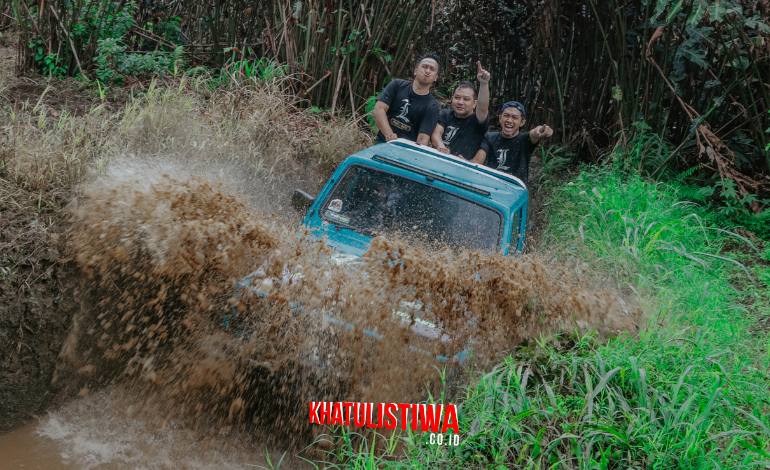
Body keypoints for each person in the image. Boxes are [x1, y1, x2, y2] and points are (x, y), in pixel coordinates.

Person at [470, 102, 553, 185]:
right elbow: (477, 160)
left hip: (515, 189)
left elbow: (534, 133)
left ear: (522, 122)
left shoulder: (525, 140)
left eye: (514, 117)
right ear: (500, 118)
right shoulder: (489, 137)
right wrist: (466, 163)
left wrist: (540, 130)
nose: (509, 120)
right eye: (506, 115)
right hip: (491, 185)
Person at [372, 53, 441, 146]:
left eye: (432, 69)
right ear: (415, 71)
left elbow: (423, 139)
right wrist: (389, 134)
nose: (427, 71)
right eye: (424, 67)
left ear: (436, 77)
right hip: (382, 144)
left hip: (407, 153)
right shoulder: (397, 85)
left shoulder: (432, 106)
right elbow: (379, 109)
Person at [431, 62, 491, 160]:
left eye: (466, 99)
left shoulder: (477, 121)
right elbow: (436, 134)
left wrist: (484, 83)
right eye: (457, 97)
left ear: (475, 103)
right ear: (452, 98)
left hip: (462, 167)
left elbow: (483, 108)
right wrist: (441, 146)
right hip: (440, 159)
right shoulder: (445, 114)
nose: (460, 102)